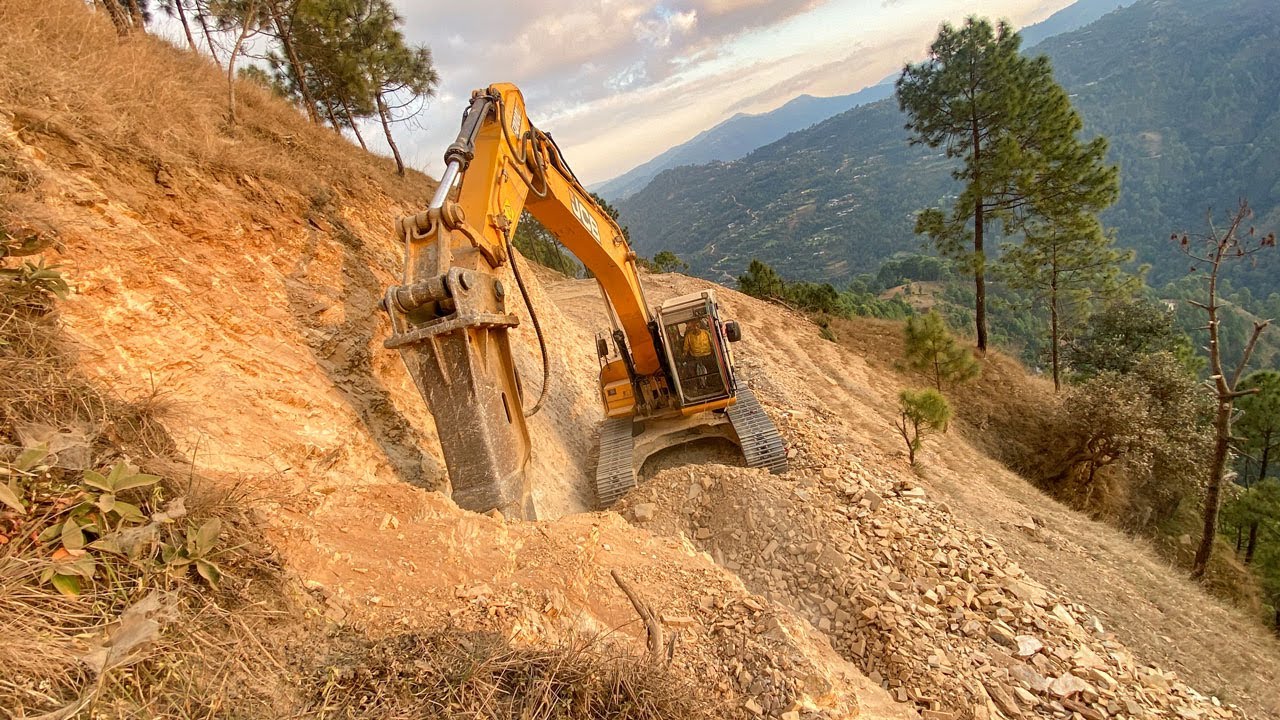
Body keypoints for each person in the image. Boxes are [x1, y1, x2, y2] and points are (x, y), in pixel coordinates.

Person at [681, 319, 717, 394]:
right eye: (694, 326)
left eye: (697, 326)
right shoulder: (688, 336)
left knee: (714, 368)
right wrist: (683, 357)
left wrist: (714, 353)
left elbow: (712, 344)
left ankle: (712, 384)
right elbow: (686, 348)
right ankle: (696, 387)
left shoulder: (706, 333)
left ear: (700, 326)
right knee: (691, 369)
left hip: (708, 356)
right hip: (695, 357)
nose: (696, 328)